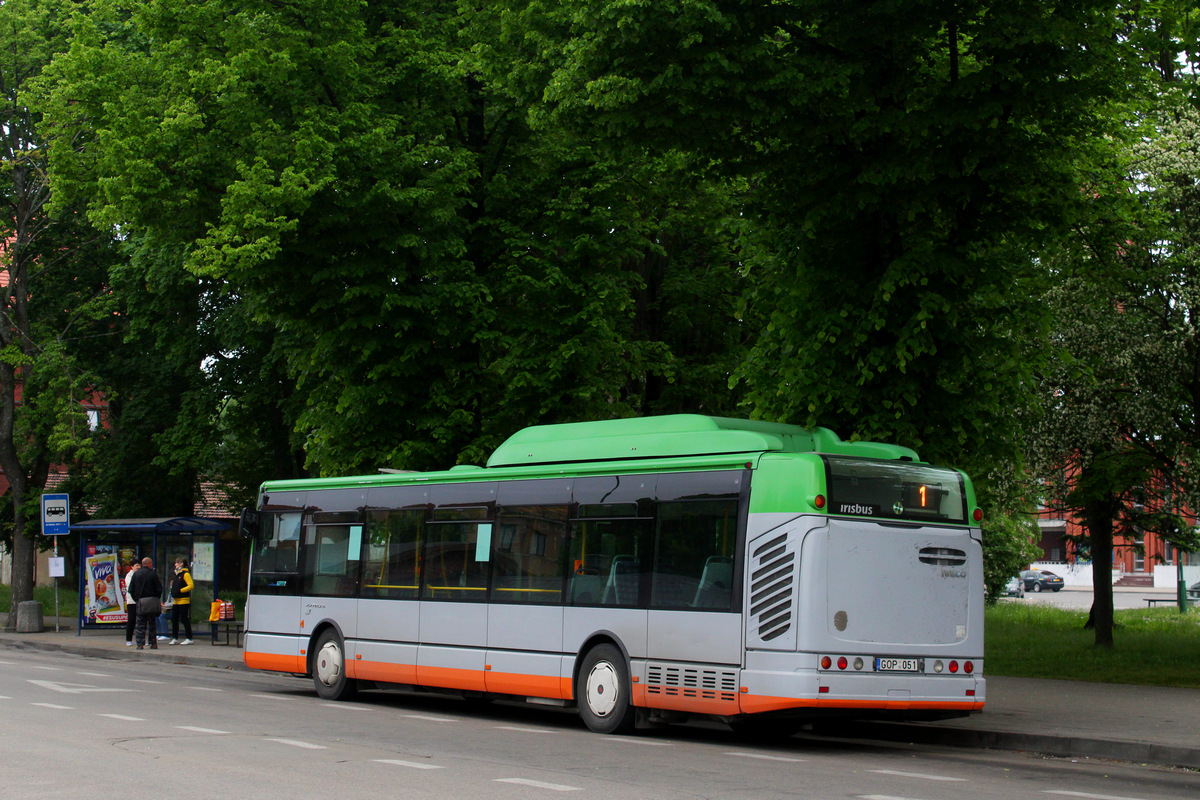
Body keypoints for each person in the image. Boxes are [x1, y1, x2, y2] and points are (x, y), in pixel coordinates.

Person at [128, 557, 164, 650]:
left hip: (140, 602)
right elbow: (159, 589)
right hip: (151, 602)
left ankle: (140, 644)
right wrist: (156, 598)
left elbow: (130, 589)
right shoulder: (153, 574)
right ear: (148, 564)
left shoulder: (136, 574)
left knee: (140, 624)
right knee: (152, 624)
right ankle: (153, 643)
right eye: (151, 563)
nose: (152, 565)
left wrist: (137, 599)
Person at [169, 558, 194, 645]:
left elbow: (191, 585)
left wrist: (180, 590)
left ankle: (189, 637)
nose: (175, 565)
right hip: (176, 601)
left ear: (181, 564)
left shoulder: (185, 574)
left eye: (177, 563)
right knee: (174, 619)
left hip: (184, 600)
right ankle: (175, 637)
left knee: (184, 618)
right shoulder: (177, 574)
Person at [123, 562, 138, 647]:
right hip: (131, 601)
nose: (138, 567)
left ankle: (141, 638)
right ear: (132, 567)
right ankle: (129, 639)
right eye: (136, 566)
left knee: (141, 620)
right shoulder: (129, 576)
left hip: (140, 600)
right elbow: (130, 587)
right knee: (131, 620)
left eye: (139, 565)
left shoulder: (140, 574)